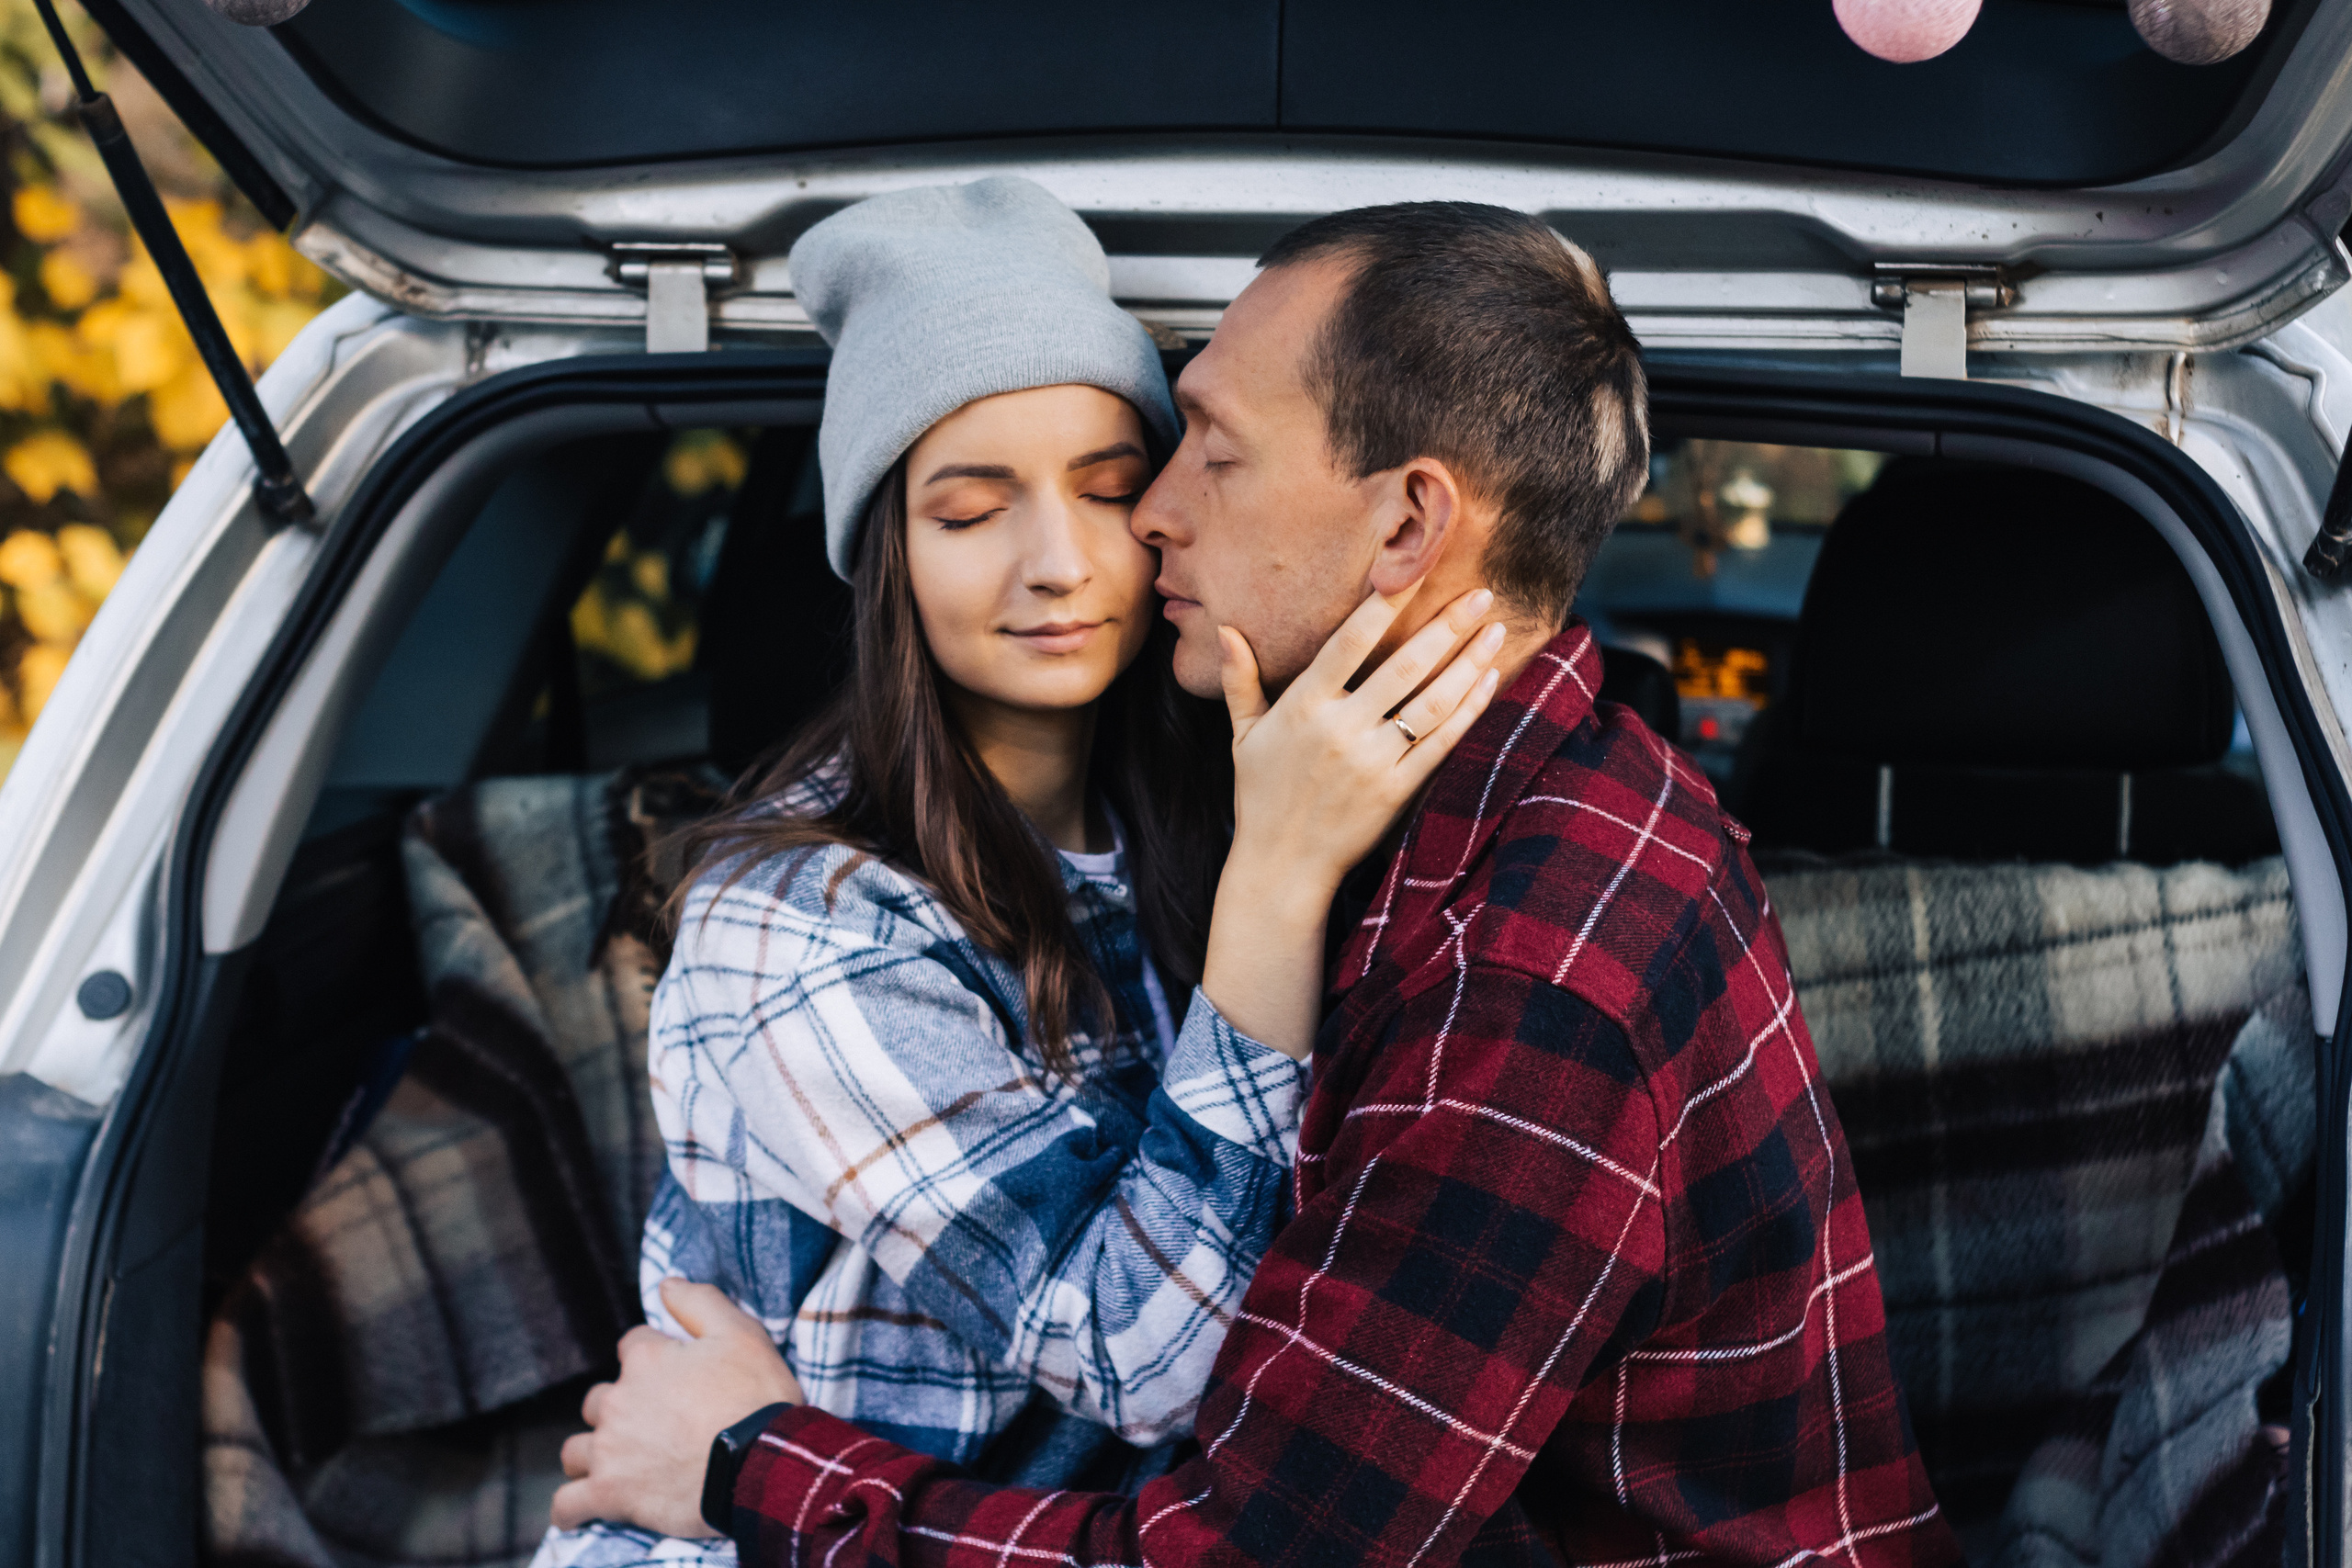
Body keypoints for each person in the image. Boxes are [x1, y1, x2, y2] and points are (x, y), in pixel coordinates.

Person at [554, 201, 1965, 1567]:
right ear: (886, 557)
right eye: (972, 510)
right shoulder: (1303, 824)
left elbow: (1231, 1516)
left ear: (1409, 527)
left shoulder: (1507, 959)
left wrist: (754, 1464)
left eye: (1172, 464)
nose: (1124, 532)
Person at [535, 178, 1505, 1567]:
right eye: (972, 510)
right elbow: (1148, 1358)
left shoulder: (1201, 809)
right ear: (887, 554)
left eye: (1110, 491)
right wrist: (1279, 887)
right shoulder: (799, 927)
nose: (1059, 563)